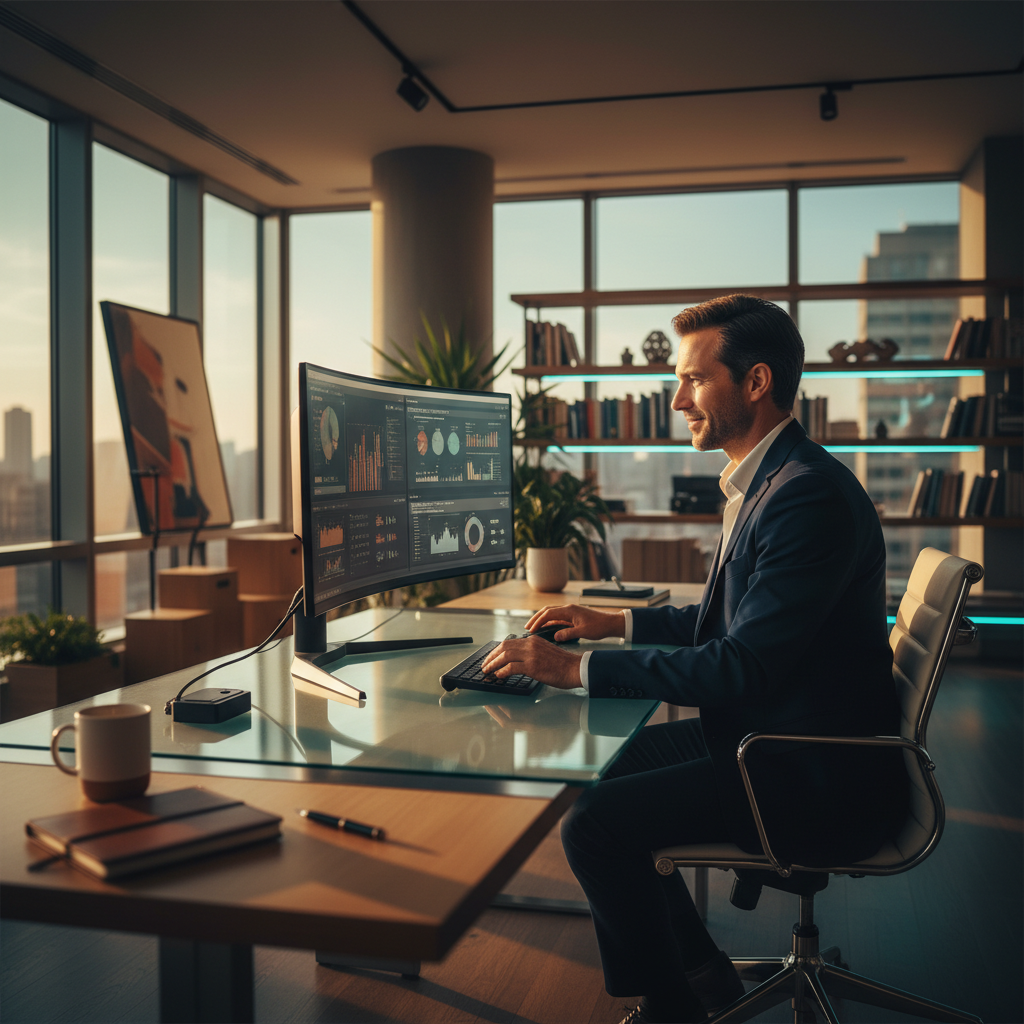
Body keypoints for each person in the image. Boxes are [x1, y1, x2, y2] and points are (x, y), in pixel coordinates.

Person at [481, 295, 907, 1024]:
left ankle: (674, 1008)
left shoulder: (805, 499)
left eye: (693, 380)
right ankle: (705, 973)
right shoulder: (773, 480)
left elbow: (739, 665)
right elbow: (728, 623)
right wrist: (609, 623)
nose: (677, 399)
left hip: (809, 767)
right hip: (776, 731)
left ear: (756, 382)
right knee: (607, 770)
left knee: (594, 824)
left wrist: (570, 669)